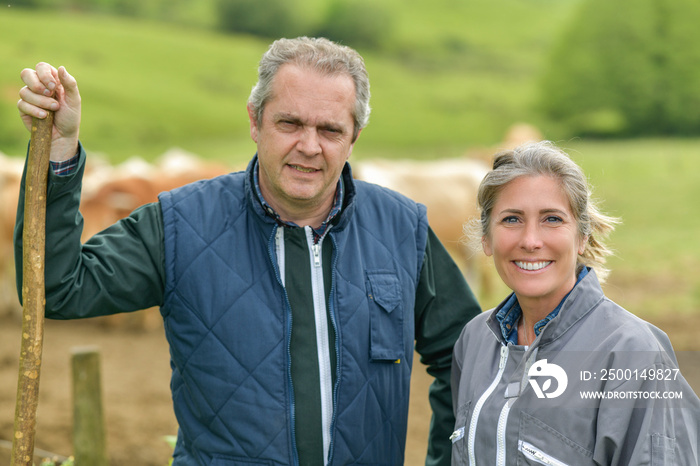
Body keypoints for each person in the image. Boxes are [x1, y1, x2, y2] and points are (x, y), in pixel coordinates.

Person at [15, 37, 481, 465]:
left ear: (354, 136)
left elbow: (470, 363)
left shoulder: (401, 229)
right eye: (290, 123)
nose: (309, 146)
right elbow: (57, 287)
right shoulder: (181, 224)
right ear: (255, 121)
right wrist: (58, 154)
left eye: (330, 130)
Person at [450, 140, 700, 465]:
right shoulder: (474, 341)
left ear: (582, 236)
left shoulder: (634, 353)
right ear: (487, 238)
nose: (530, 241)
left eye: (552, 219)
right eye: (511, 219)